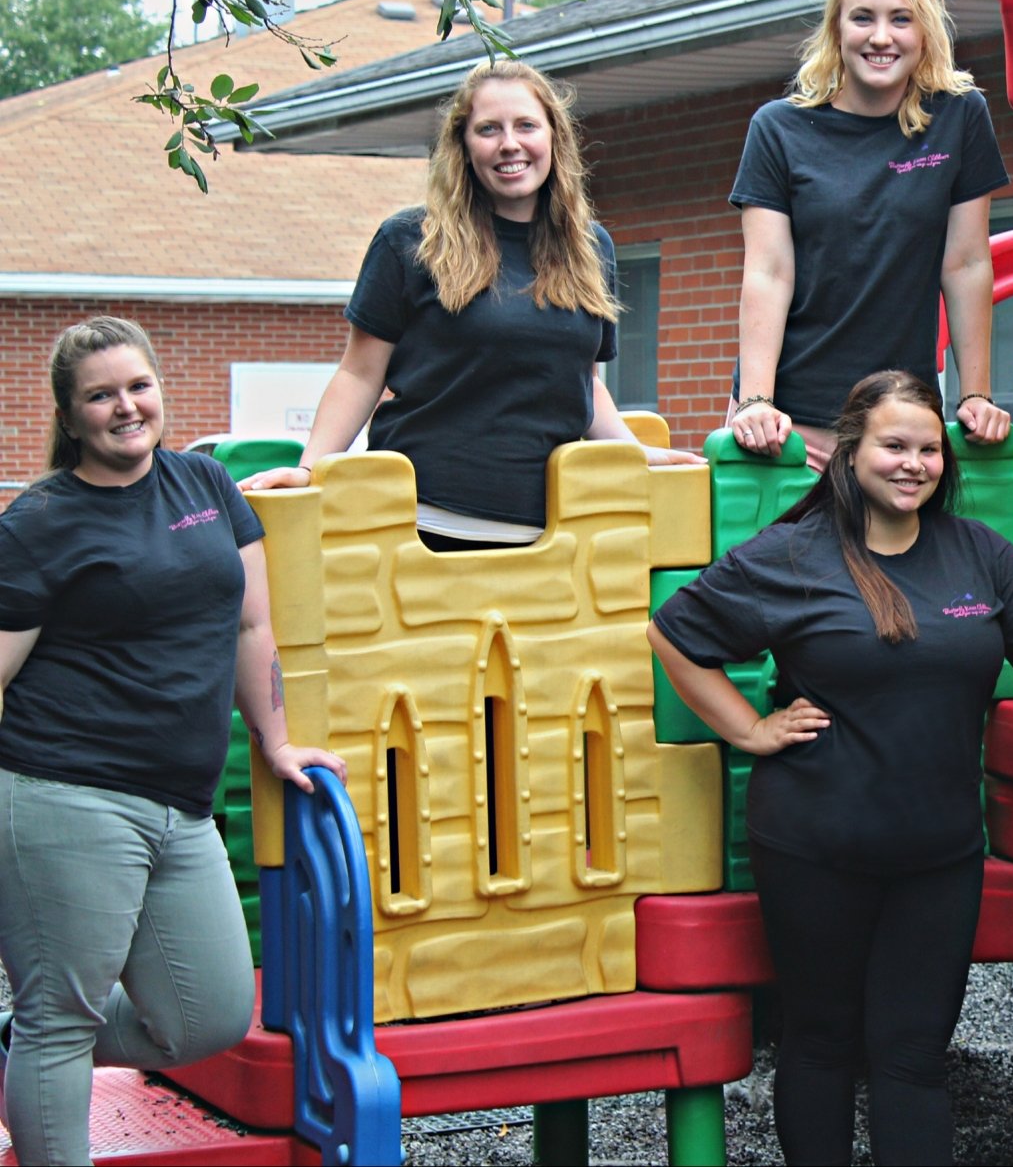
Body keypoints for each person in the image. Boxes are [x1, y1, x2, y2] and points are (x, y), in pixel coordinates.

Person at [649, 370, 1013, 1164]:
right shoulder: (794, 554)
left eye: (928, 449)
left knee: (913, 1054)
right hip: (815, 844)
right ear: (851, 453)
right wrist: (749, 729)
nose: (913, 464)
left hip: (940, 852)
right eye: (894, 446)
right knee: (821, 1039)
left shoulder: (976, 552)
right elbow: (675, 633)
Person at [0, 317, 346, 1165]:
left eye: (138, 386)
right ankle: (41, 1050)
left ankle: (24, 1047)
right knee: (63, 1017)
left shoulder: (206, 484)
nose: (126, 407)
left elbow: (252, 627)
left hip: (183, 808)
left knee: (207, 1017)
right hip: (65, 795)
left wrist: (276, 742)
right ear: (70, 415)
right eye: (101, 396)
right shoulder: (39, 522)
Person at [240, 59, 698, 547]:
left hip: (556, 533)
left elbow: (582, 382)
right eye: (488, 129)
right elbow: (359, 374)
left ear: (554, 137)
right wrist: (309, 469)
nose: (509, 143)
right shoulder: (408, 241)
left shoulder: (590, 247)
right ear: (462, 145)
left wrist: (630, 452)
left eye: (526, 125)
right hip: (421, 527)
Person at [728, 0, 1013, 473]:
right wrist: (756, 404)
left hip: (903, 427)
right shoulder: (778, 129)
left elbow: (967, 263)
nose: (881, 37)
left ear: (924, 31)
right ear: (837, 30)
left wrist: (975, 395)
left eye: (900, 19)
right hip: (790, 427)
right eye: (863, 18)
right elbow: (768, 272)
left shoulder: (959, 118)